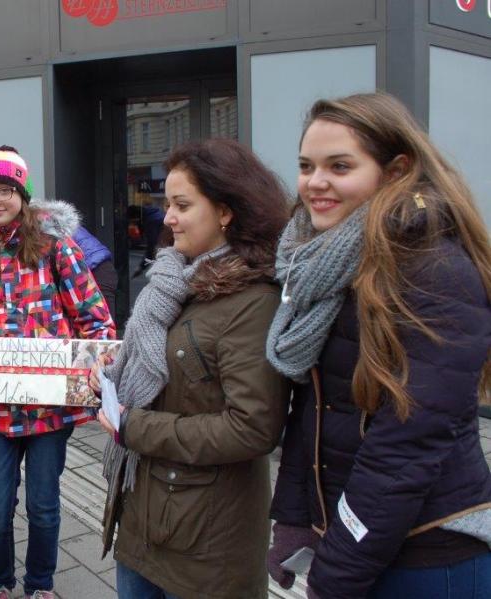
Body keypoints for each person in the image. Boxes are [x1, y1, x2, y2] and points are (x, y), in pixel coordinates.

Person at [266, 93, 491, 599]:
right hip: (359, 542)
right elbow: (316, 407)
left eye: (339, 166)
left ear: (395, 171)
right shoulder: (323, 264)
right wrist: (295, 522)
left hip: (430, 554)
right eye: (306, 166)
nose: (314, 182)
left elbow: (409, 444)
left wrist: (337, 572)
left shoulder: (432, 267)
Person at [90, 139, 292, 598]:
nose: (167, 218)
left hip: (205, 544)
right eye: (167, 204)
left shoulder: (253, 300)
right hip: (143, 515)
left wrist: (135, 427)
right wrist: (118, 368)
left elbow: (253, 429)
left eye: (182, 205)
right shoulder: (172, 280)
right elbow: (171, 364)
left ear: (225, 211)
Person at [0, 145, 115, 599]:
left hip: (50, 408)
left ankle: (40, 586)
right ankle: (0, 584)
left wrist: (92, 373)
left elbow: (96, 321)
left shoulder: (56, 250)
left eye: (4, 190)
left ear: (23, 192)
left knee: (42, 507)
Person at [29, 199, 118, 320]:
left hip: (98, 269)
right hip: (99, 265)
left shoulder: (44, 224)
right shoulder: (49, 218)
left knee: (101, 317)